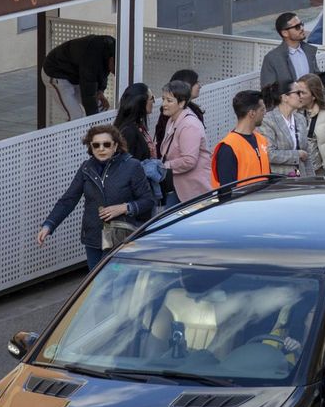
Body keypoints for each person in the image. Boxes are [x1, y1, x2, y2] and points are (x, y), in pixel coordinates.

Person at [38, 124, 156, 272]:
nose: (101, 149)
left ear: (115, 146)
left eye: (106, 145)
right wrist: (49, 225)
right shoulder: (86, 168)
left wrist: (124, 208)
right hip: (93, 237)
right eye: (96, 145)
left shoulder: (132, 166)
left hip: (119, 236)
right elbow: (69, 199)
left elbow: (148, 201)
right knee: (96, 282)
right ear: (91, 147)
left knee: (108, 282)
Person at [156, 79, 211, 204]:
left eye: (169, 100)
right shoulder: (172, 120)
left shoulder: (189, 125)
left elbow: (189, 161)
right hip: (178, 187)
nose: (164, 104)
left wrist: (164, 166)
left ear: (181, 103)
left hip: (192, 191)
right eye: (163, 99)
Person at [43, 34, 116, 120]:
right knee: (75, 116)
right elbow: (88, 96)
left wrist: (100, 91)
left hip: (76, 75)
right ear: (111, 60)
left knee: (101, 107)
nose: (114, 74)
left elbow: (103, 70)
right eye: (115, 71)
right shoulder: (91, 59)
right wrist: (94, 124)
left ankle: (96, 131)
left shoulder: (112, 49)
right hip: (56, 73)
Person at [212, 90, 271, 187]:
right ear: (252, 113)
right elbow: (227, 191)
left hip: (262, 200)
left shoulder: (261, 140)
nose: (265, 113)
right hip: (243, 201)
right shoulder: (228, 147)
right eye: (262, 110)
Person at [260, 11, 319, 93]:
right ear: (285, 33)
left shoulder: (309, 51)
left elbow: (316, 79)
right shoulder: (272, 58)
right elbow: (268, 91)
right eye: (297, 27)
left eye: (301, 24)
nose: (302, 28)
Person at [258, 83, 308, 178]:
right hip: (279, 181)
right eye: (298, 93)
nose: (302, 96)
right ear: (285, 97)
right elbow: (269, 153)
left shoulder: (301, 119)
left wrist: (311, 182)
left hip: (302, 180)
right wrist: (297, 154)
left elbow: (306, 154)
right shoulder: (268, 120)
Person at [153, 68, 204, 152]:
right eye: (196, 82)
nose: (200, 86)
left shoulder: (192, 109)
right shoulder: (171, 113)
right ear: (186, 85)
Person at [298, 74, 325, 176]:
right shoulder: (293, 110)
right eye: (297, 92)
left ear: (314, 95)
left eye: (303, 93)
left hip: (318, 167)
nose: (299, 96)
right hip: (296, 166)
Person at [112, 82, 155, 162]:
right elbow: (126, 166)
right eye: (152, 98)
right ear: (141, 102)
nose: (154, 102)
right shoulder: (129, 132)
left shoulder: (138, 125)